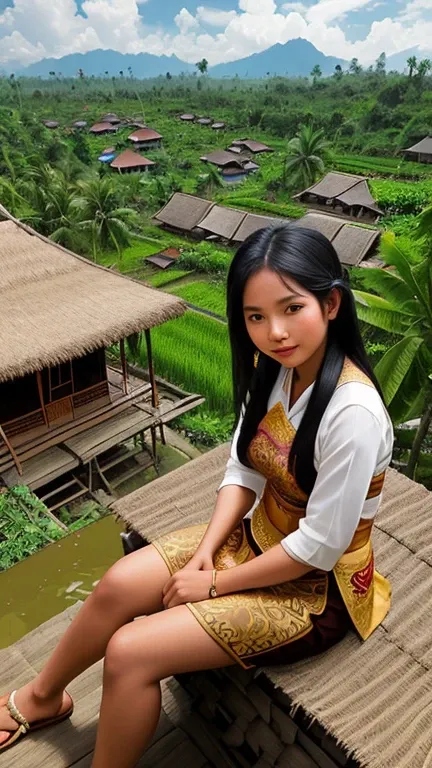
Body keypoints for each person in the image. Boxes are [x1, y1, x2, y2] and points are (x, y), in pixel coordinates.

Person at [0, 224, 393, 767]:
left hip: (315, 589)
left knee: (130, 652)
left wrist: (212, 583)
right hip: (256, 540)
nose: (274, 332)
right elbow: (244, 468)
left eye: (291, 308)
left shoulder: (352, 413)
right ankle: (43, 697)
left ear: (330, 304)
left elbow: (319, 548)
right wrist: (208, 548)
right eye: (255, 317)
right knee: (117, 581)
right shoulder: (274, 370)